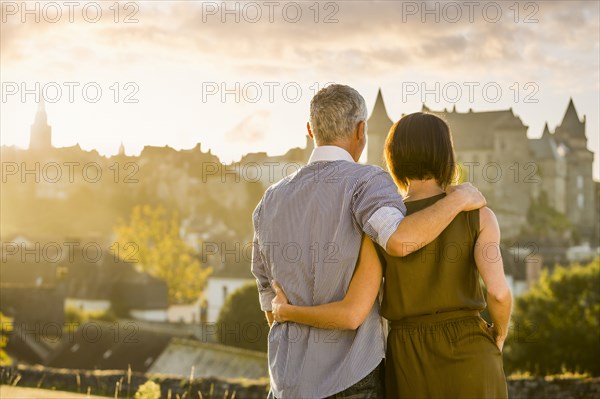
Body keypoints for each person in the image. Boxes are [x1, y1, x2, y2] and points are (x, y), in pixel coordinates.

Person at [251, 85, 486, 399]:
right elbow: (399, 241)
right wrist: (460, 200)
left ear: (310, 130)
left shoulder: (269, 201)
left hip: (286, 384)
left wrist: (290, 313)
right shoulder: (367, 182)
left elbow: (270, 309)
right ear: (362, 130)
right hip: (351, 379)